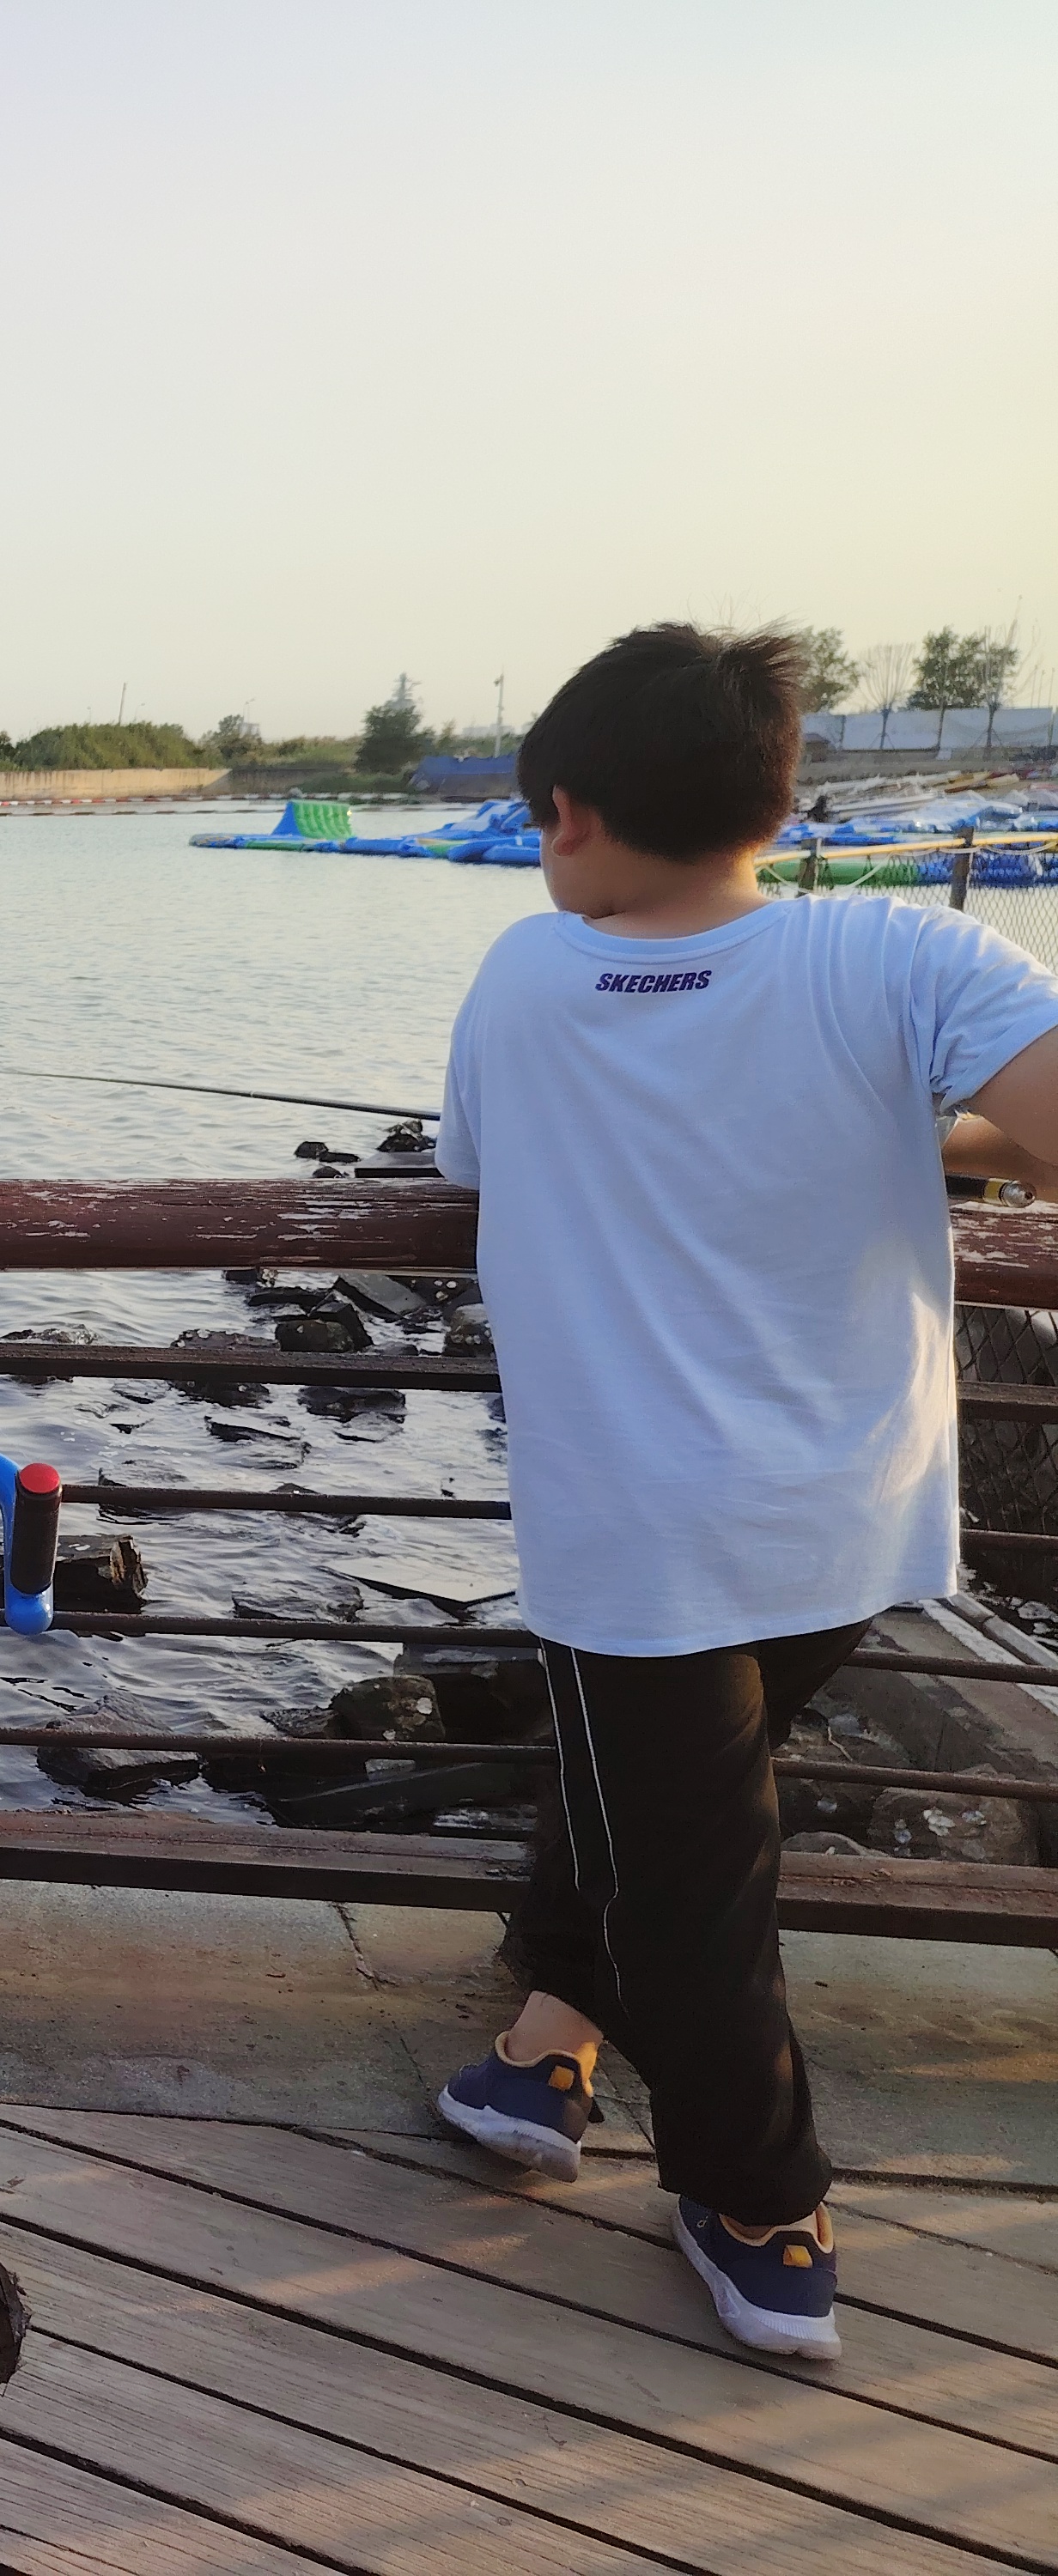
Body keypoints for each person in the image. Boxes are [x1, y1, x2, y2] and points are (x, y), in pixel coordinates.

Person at [428, 623, 1058, 2359]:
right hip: (854, 1514)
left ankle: (761, 2203)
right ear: (776, 801)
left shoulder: (520, 979)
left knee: (692, 1876)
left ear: (567, 813)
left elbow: (477, 1162)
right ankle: (539, 2052)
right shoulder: (899, 952)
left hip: (634, 1534)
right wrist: (934, 1135)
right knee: (662, 1809)